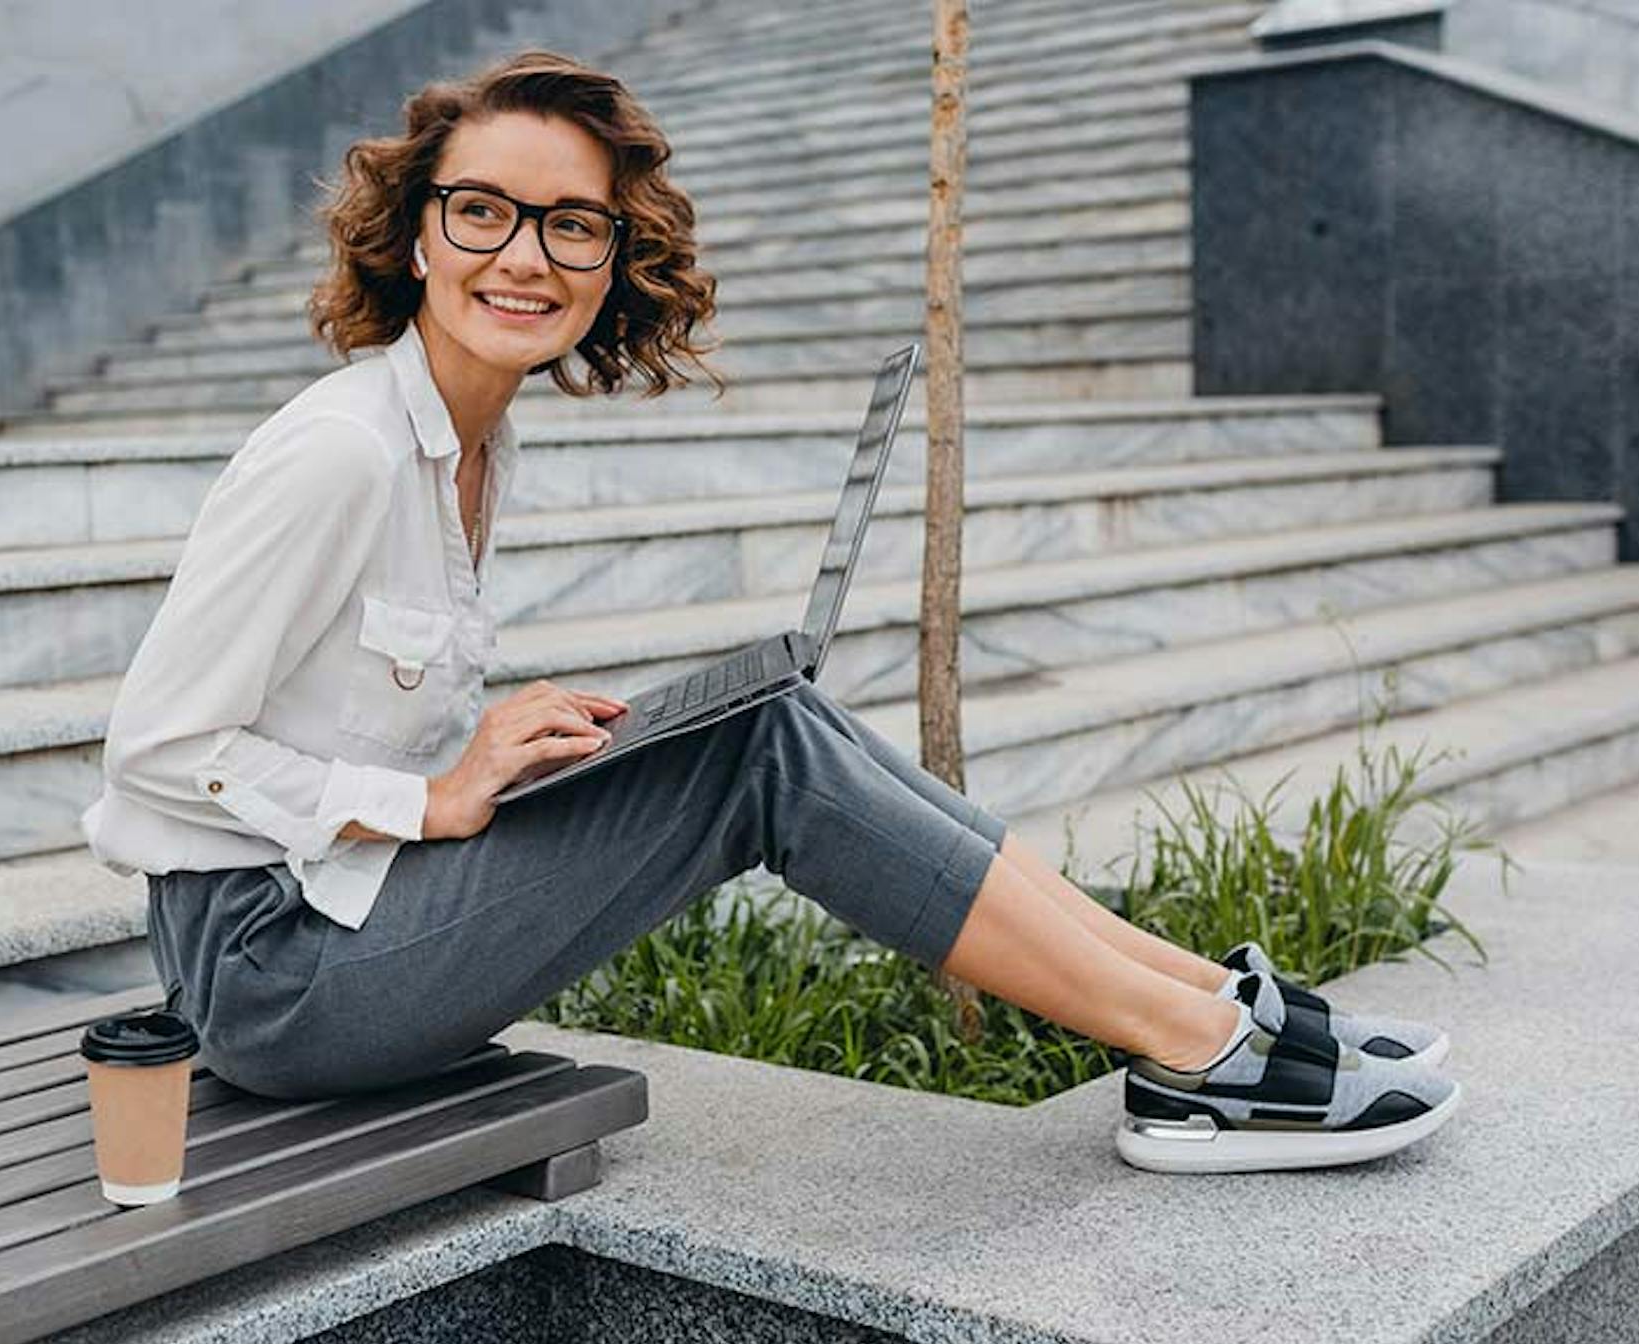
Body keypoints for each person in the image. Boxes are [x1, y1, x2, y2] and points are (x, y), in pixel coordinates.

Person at [79, 50, 1461, 1174]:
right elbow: (151, 752)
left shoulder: (473, 443)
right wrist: (427, 799)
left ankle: (1207, 1006)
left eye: (573, 224)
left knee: (768, 710)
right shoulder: (343, 451)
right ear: (420, 232)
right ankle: (1198, 1060)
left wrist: (504, 757)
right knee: (762, 755)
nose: (526, 254)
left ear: (617, 257)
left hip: (343, 916)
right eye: (483, 209)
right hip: (270, 973)